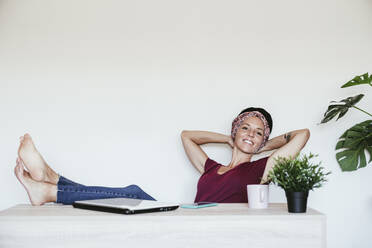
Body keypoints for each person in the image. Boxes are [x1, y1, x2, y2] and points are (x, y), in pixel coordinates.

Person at [14, 107, 310, 205]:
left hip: (201, 237)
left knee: (133, 193)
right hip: (184, 223)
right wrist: (235, 140)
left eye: (259, 132)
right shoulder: (211, 168)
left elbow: (303, 135)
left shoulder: (260, 169)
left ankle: (51, 188)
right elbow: (187, 136)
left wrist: (258, 147)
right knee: (131, 194)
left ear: (264, 142)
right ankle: (52, 181)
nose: (251, 134)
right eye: (245, 128)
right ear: (234, 130)